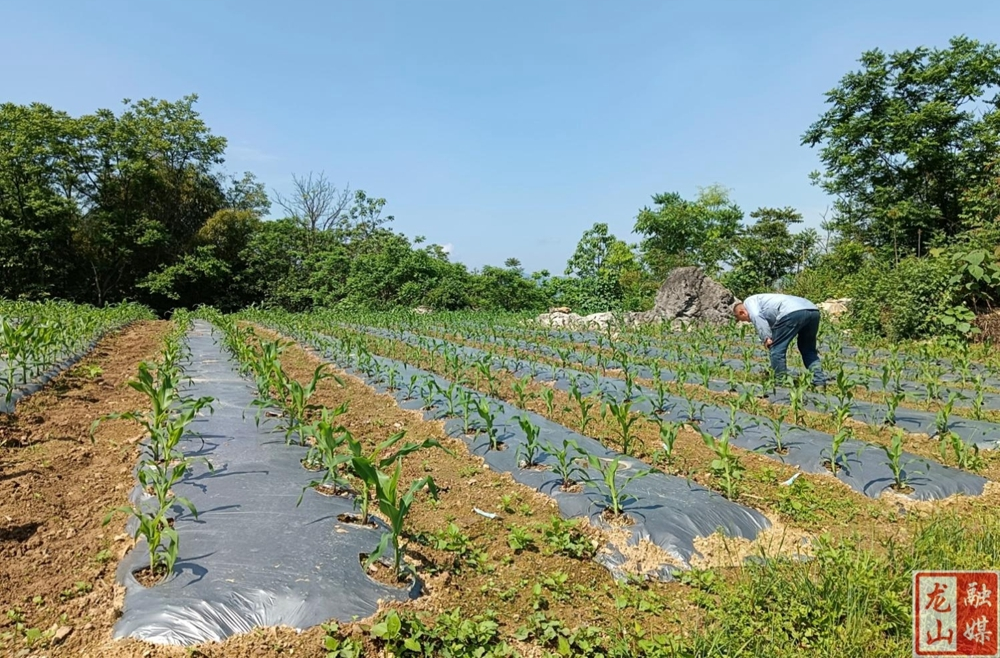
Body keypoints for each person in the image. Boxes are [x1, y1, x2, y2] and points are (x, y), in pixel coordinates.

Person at [733, 293, 827, 387]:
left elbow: (756, 316)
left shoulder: (749, 302)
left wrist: (766, 338)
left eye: (742, 319)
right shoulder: (765, 303)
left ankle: (781, 383)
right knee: (808, 349)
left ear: (742, 312)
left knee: (776, 350)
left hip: (791, 312)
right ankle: (819, 382)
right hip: (813, 310)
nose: (747, 321)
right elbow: (776, 326)